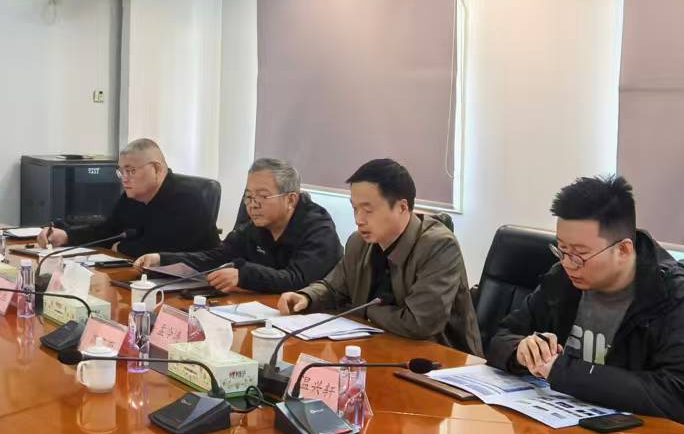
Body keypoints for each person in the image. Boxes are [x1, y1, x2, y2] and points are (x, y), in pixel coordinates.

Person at [484, 174, 684, 433]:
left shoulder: (675, 296)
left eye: (580, 254)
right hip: (574, 430)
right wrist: (520, 351)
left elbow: (678, 395)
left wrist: (563, 371)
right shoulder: (562, 278)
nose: (568, 263)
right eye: (561, 250)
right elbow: (500, 337)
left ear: (623, 250)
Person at [277, 158, 479, 354]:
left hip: (439, 358)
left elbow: (419, 324)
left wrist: (364, 310)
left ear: (402, 207)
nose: (359, 219)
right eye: (355, 208)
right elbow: (334, 287)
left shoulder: (439, 246)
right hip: (377, 346)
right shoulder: (358, 242)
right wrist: (307, 296)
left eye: (368, 210)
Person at [135, 157, 339, 293]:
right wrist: (162, 259)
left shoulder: (318, 228)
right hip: (266, 310)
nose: (253, 204)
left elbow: (297, 279)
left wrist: (244, 277)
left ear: (291, 199)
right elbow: (216, 257)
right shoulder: (255, 226)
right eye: (249, 196)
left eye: (263, 196)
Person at [40, 138, 218, 259]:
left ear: (156, 169)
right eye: (121, 171)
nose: (124, 178)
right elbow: (107, 231)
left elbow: (161, 249)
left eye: (131, 171)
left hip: (196, 288)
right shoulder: (133, 196)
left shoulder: (187, 198)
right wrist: (66, 236)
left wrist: (121, 247)